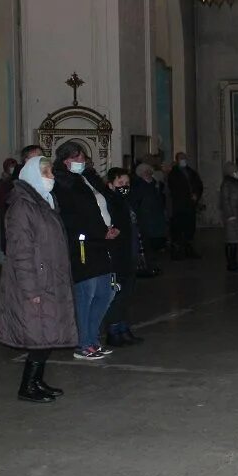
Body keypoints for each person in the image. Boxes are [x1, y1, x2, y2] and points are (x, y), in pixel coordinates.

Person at [0, 156, 75, 401]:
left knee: (46, 334)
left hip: (51, 279)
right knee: (39, 334)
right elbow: (21, 253)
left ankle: (36, 381)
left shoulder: (45, 202)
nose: (52, 177)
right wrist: (30, 291)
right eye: (47, 172)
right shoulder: (23, 207)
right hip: (36, 282)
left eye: (51, 171)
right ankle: (28, 386)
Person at [51, 141, 119, 361]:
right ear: (65, 161)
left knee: (106, 292)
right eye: (76, 158)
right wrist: (100, 231)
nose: (81, 162)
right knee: (86, 294)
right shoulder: (62, 184)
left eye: (82, 158)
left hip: (100, 241)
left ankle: (92, 338)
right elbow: (76, 216)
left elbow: (101, 206)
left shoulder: (88, 178)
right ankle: (83, 343)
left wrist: (109, 228)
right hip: (82, 244)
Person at [101, 168, 144, 347]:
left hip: (130, 253)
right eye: (120, 184)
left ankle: (123, 328)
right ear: (110, 185)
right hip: (117, 255)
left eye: (127, 184)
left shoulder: (126, 202)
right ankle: (114, 331)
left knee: (127, 294)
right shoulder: (109, 203)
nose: (124, 187)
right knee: (117, 295)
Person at [167, 152, 204, 260]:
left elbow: (198, 184)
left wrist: (196, 194)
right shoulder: (173, 173)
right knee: (178, 229)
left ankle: (189, 249)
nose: (183, 160)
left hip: (190, 205)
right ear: (177, 160)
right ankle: (177, 252)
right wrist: (187, 195)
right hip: (179, 205)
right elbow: (174, 188)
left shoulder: (191, 172)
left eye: (184, 158)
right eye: (181, 158)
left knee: (190, 228)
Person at [130, 162, 168, 256]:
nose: (147, 173)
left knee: (157, 235)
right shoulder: (137, 185)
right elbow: (135, 201)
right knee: (147, 237)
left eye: (149, 171)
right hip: (145, 215)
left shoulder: (156, 184)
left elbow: (161, 197)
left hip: (157, 213)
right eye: (145, 171)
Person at [219, 162, 238, 273]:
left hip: (237, 215)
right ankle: (231, 264)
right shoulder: (227, 184)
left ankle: (233, 263)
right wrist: (230, 214)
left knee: (234, 241)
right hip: (232, 216)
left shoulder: (234, 182)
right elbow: (225, 200)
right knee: (231, 241)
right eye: (235, 171)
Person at [0, 157, 18, 253]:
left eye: (14, 166)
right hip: (7, 213)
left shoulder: (18, 181)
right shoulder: (3, 182)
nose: (12, 168)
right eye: (10, 166)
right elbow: (2, 200)